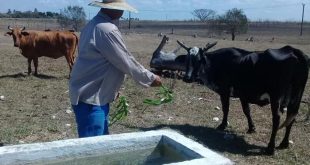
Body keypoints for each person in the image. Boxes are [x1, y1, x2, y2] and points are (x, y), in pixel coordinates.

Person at [69, 0, 162, 138]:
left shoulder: (93, 24)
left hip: (91, 94)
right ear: (115, 9)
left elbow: (103, 62)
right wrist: (151, 79)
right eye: (121, 8)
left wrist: (111, 90)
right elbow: (125, 61)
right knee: (93, 149)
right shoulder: (107, 29)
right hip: (91, 99)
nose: (122, 12)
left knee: (101, 141)